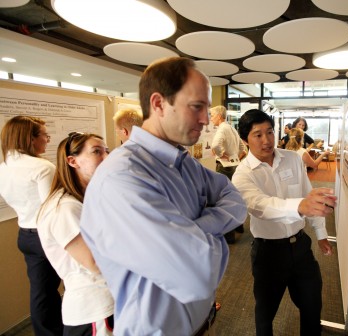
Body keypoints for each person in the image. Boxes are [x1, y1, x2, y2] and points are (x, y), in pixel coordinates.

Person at [80, 57, 247, 335]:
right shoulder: (122, 177)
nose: (206, 120)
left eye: (207, 108)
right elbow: (198, 274)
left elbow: (235, 200)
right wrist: (209, 230)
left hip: (201, 323)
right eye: (197, 107)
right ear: (158, 104)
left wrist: (193, 230)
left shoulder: (183, 160)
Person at [231, 109, 336, 336]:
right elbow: (261, 206)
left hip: (300, 247)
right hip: (268, 253)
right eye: (257, 135)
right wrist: (299, 206)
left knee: (311, 306)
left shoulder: (292, 159)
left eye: (269, 132)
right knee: (265, 315)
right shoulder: (242, 174)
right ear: (244, 139)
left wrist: (321, 233)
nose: (266, 140)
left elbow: (309, 196)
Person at [37, 132, 114, 336]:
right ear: (72, 161)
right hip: (94, 308)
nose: (106, 158)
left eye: (107, 151)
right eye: (97, 152)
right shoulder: (65, 208)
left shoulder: (87, 199)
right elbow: (95, 262)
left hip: (109, 300)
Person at [0, 116, 64, 336]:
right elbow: (53, 208)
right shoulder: (42, 167)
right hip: (47, 236)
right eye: (44, 136)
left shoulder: (3, 167)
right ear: (30, 138)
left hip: (25, 235)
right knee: (77, 284)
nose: (47, 140)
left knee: (41, 293)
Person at [210, 105, 247, 243]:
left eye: (212, 115)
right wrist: (234, 157)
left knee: (224, 200)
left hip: (224, 167)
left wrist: (221, 154)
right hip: (235, 166)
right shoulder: (231, 128)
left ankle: (229, 235)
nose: (211, 118)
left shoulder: (222, 128)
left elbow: (214, 145)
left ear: (219, 116)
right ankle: (239, 226)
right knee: (235, 197)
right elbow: (243, 148)